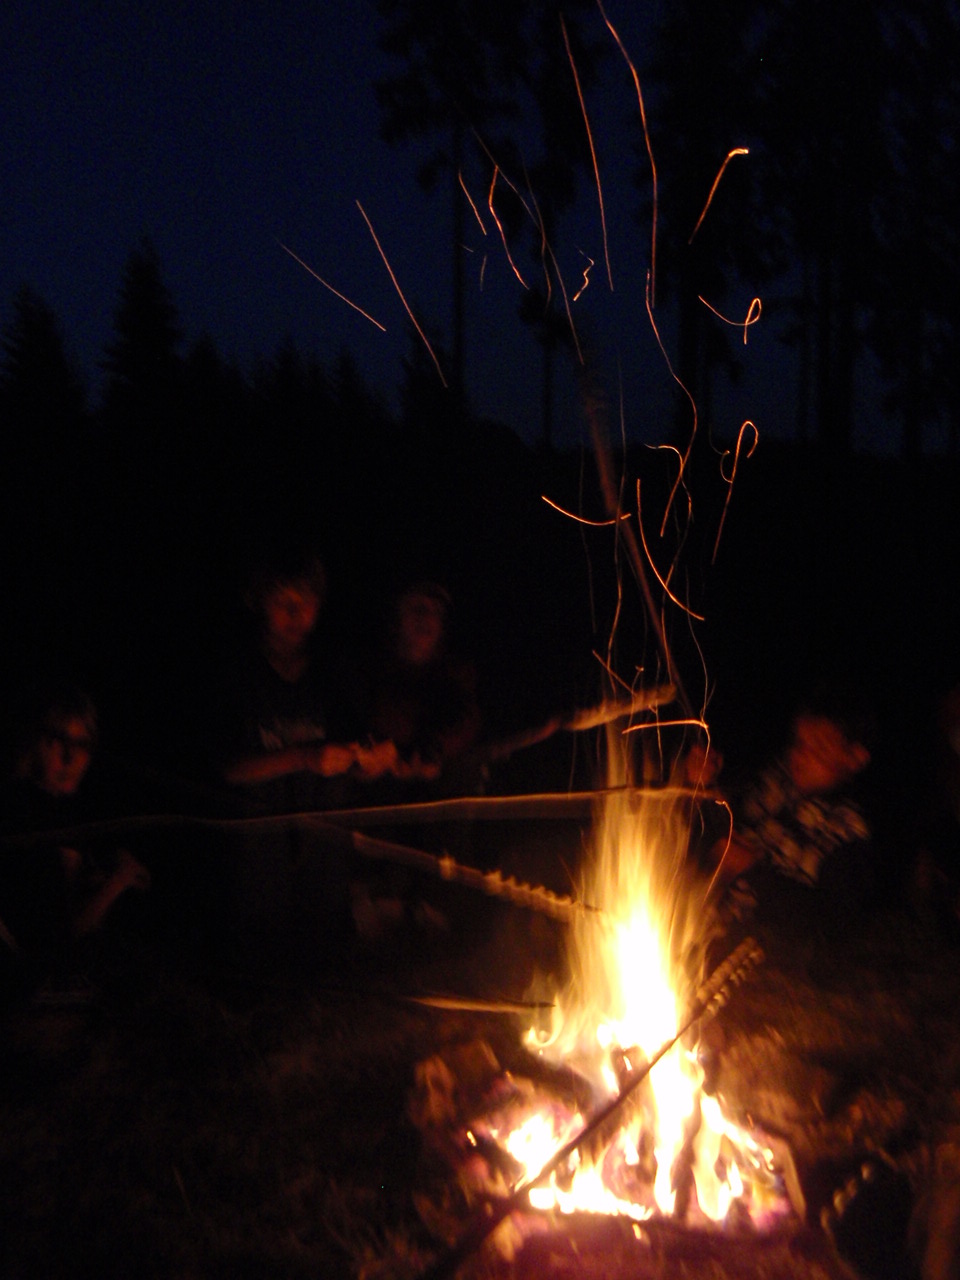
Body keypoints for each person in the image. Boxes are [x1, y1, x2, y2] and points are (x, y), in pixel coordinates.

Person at [1, 683, 151, 990]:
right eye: (58, 741)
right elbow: (59, 936)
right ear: (33, 743)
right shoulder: (21, 815)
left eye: (82, 745)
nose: (71, 757)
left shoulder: (68, 813)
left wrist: (103, 874)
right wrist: (118, 881)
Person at [709, 694, 874, 934]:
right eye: (799, 743)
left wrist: (751, 870)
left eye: (819, 748)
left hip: (759, 947)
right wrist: (703, 785)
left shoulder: (847, 833)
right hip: (701, 919)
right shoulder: (776, 783)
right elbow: (728, 825)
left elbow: (829, 922)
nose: (800, 756)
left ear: (855, 758)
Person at [361, 580, 482, 799]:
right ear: (396, 618)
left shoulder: (456, 673)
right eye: (418, 608)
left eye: (436, 612)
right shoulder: (371, 670)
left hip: (443, 796)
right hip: (377, 795)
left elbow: (466, 723)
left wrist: (431, 751)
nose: (427, 618)